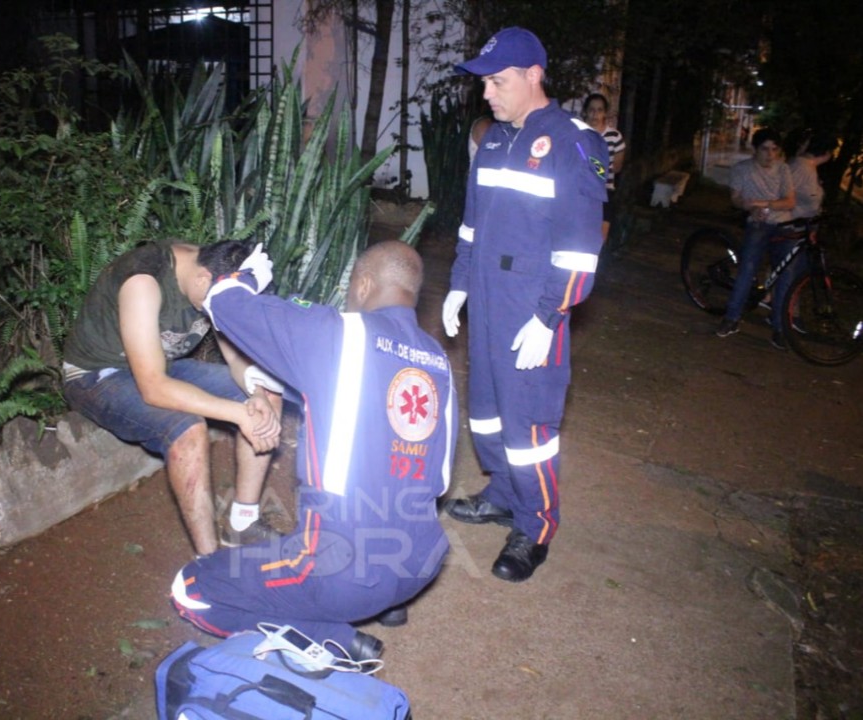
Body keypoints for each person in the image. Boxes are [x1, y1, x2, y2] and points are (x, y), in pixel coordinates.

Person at [171, 240, 458, 662]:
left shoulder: (340, 333)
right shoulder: (436, 359)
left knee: (191, 589)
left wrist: (246, 276)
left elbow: (226, 303)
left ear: (362, 285)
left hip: (341, 575)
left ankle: (335, 638)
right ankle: (385, 605)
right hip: (420, 561)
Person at [440, 27, 608, 583]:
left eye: (498, 81)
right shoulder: (492, 139)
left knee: (528, 420)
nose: (488, 93)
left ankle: (535, 526)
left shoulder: (573, 141)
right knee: (486, 409)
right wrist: (459, 284)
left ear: (534, 75)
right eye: (485, 82)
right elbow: (470, 223)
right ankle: (505, 494)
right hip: (487, 298)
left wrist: (550, 315)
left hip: (532, 305)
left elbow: (581, 249)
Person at [62, 239, 283, 558]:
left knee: (268, 393)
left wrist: (257, 393)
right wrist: (238, 413)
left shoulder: (216, 274)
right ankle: (209, 562)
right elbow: (153, 387)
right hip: (97, 375)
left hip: (159, 365)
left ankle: (243, 523)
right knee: (188, 431)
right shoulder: (143, 282)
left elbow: (235, 360)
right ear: (203, 279)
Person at [716, 128, 796, 349]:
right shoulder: (742, 169)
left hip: (783, 225)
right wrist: (750, 208)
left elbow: (789, 201)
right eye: (765, 149)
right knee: (747, 270)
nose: (770, 154)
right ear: (755, 149)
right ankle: (731, 318)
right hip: (758, 224)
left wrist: (764, 204)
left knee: (785, 276)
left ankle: (780, 328)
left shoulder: (784, 170)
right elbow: (736, 199)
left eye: (774, 149)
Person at [582, 93, 627, 243]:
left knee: (601, 236)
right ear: (585, 111)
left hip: (604, 190)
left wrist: (597, 167)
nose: (595, 114)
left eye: (600, 110)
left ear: (605, 113)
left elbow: (618, 167)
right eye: (591, 109)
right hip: (580, 190)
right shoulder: (578, 133)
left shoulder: (614, 136)